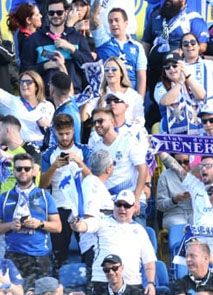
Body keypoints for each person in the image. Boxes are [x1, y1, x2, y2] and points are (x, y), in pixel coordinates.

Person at [71, 190, 156, 295]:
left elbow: (149, 261)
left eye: (127, 206)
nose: (122, 209)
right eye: (118, 204)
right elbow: (81, 226)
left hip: (131, 283)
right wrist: (74, 222)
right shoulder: (101, 221)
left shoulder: (140, 230)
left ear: (134, 208)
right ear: (114, 205)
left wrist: (151, 283)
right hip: (102, 281)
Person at [38, 113, 88, 268]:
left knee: (88, 253)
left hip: (82, 208)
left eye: (68, 133)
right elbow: (42, 185)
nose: (65, 137)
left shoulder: (84, 150)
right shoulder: (48, 154)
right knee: (60, 257)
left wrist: (80, 163)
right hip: (58, 209)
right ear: (54, 132)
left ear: (73, 130)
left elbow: (94, 180)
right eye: (61, 134)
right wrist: (54, 167)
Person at [0, 153, 60, 282]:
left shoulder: (45, 196)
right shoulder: (4, 198)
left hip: (39, 256)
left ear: (33, 171)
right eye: (19, 169)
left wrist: (40, 224)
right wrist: (10, 225)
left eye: (27, 169)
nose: (23, 172)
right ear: (14, 171)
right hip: (13, 256)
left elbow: (58, 226)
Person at [21, 0, 92, 91]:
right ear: (47, 14)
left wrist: (72, 49)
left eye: (59, 12)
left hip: (74, 94)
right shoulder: (34, 39)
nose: (55, 15)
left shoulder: (77, 38)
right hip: (45, 96)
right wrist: (45, 66)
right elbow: (24, 72)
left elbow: (91, 67)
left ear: (66, 13)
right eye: (51, 13)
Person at [87, 107, 148, 203]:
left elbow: (143, 169)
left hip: (130, 201)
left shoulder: (128, 140)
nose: (97, 125)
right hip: (108, 201)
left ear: (111, 121)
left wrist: (136, 197)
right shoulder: (96, 148)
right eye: (94, 123)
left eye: (100, 121)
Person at [0, 70, 52, 145]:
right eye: (21, 82)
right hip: (21, 148)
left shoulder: (47, 105)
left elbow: (52, 128)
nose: (24, 84)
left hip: (44, 147)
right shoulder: (11, 101)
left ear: (37, 86)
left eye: (28, 82)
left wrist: (47, 124)